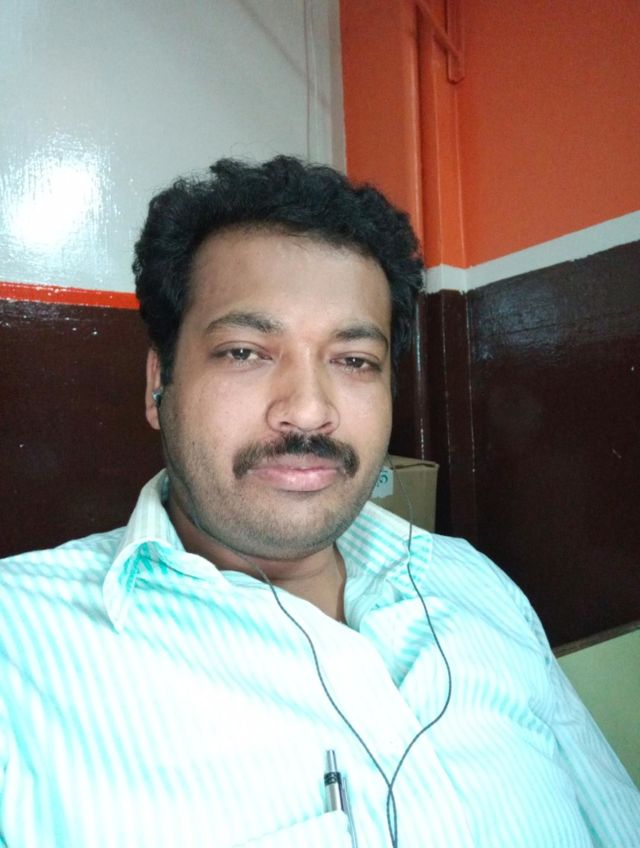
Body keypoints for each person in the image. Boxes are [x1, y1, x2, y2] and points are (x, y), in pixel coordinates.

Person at [0, 157, 638, 848]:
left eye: (354, 360)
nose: (308, 410)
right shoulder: (19, 653)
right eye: (245, 352)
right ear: (160, 382)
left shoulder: (478, 585)